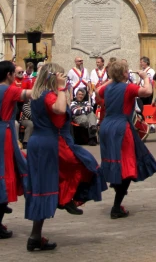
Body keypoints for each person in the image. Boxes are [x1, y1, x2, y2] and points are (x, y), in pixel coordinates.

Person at [25, 62, 106, 252]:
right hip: (50, 143)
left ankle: (60, 205)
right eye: (61, 76)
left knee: (51, 182)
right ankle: (63, 201)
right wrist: (61, 88)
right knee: (84, 165)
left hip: (41, 142)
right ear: (53, 77)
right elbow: (60, 110)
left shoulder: (39, 94)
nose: (65, 79)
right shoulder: (49, 95)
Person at [97, 60, 156, 218]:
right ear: (125, 73)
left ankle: (116, 187)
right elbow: (147, 92)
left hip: (106, 126)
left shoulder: (108, 88)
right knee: (126, 163)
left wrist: (112, 78)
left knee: (115, 160)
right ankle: (116, 206)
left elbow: (97, 91)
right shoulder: (128, 87)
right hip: (120, 127)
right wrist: (145, 77)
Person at [0, 60, 32, 240]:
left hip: (4, 130)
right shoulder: (10, 90)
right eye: (14, 73)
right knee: (6, 170)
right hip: (4, 133)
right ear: (9, 75)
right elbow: (30, 95)